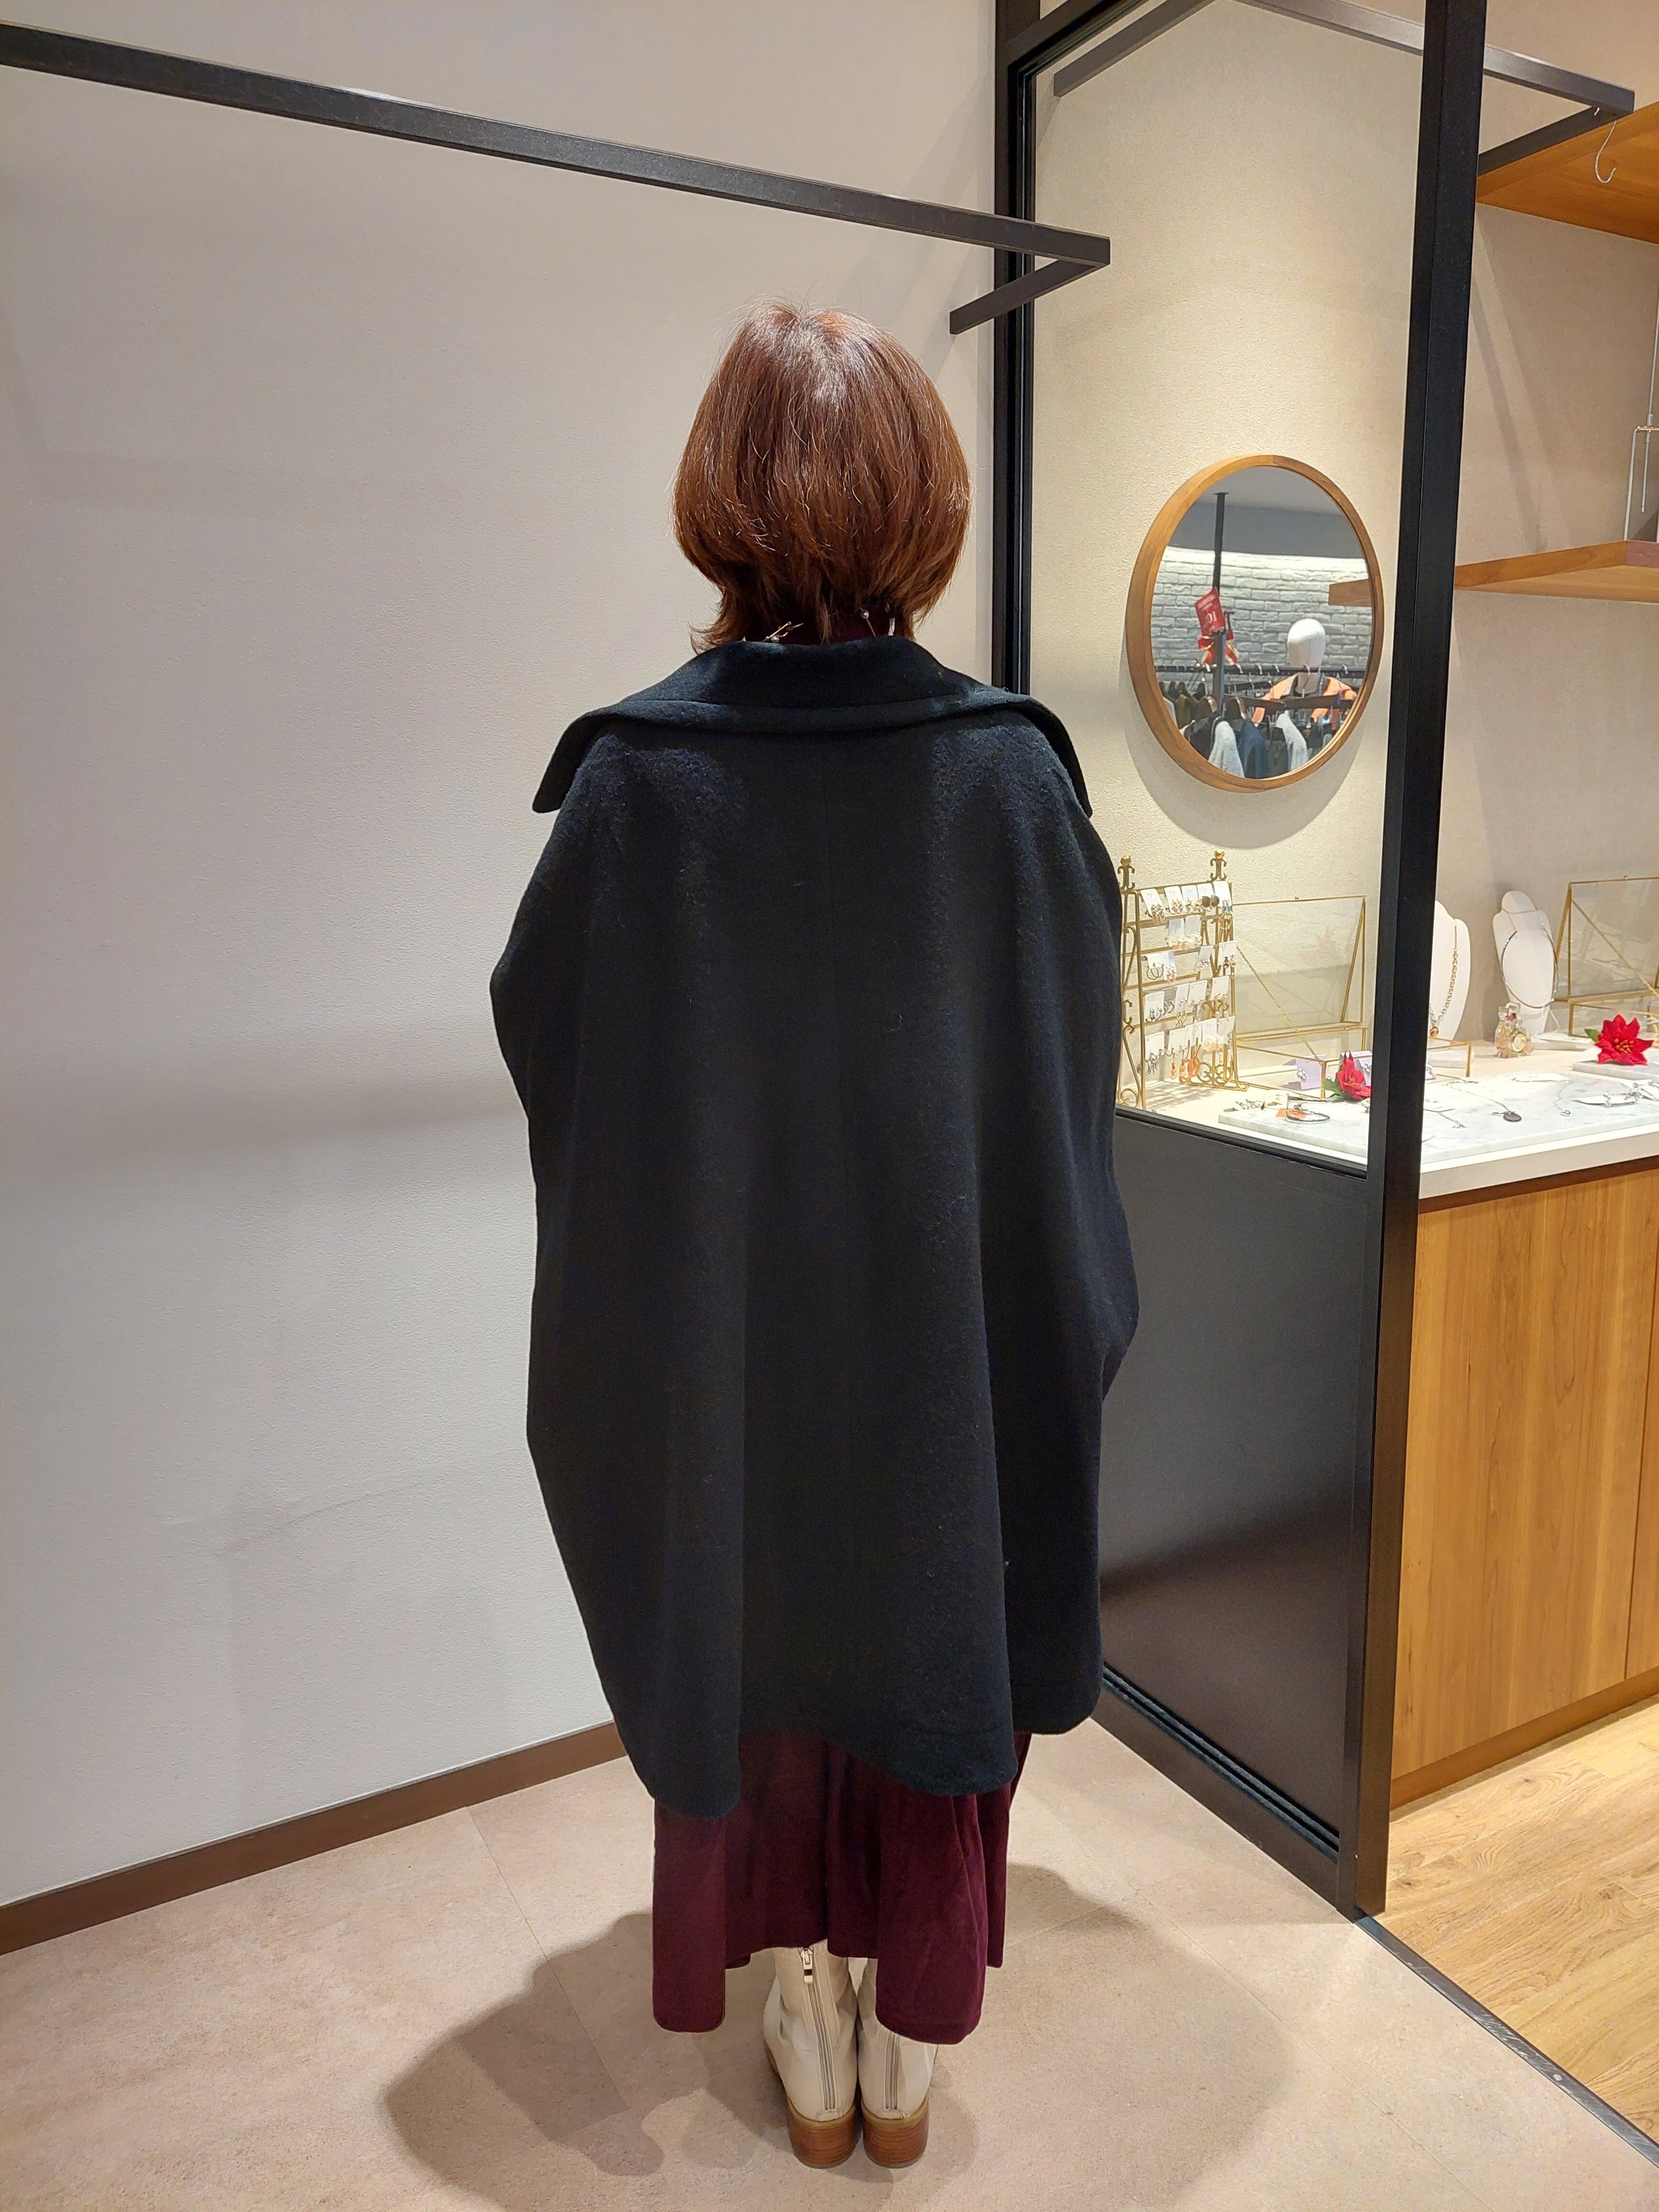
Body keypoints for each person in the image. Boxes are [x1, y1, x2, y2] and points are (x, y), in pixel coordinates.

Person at [492, 302, 1137, 2171]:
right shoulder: (1012, 779)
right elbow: (1063, 1116)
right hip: (945, 1384)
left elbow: (560, 1057)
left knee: (751, 1642)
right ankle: (898, 2030)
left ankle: (803, 1993)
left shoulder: (639, 790)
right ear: (930, 506)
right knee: (930, 1628)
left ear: (719, 499)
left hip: (736, 1385)